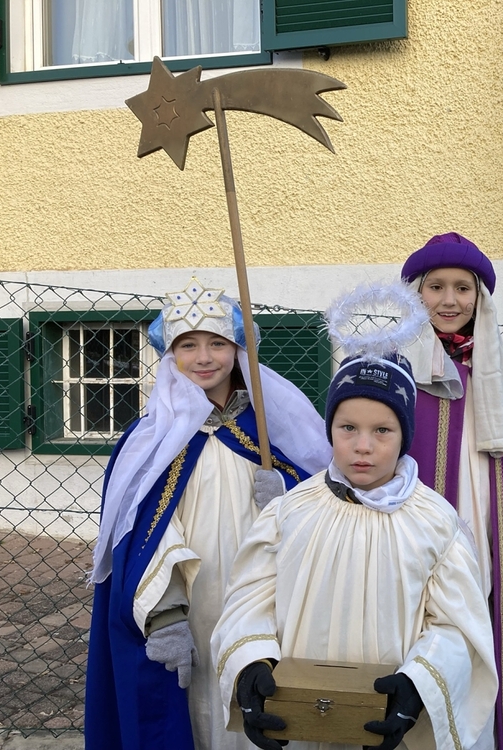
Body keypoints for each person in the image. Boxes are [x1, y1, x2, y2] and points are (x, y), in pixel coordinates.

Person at [211, 283, 497, 750]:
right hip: (298, 720)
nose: (363, 446)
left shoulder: (435, 524)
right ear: (330, 429)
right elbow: (249, 602)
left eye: (382, 430)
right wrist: (252, 663)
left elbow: (456, 625)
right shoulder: (290, 512)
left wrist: (418, 685)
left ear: (404, 435)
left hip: (389, 725)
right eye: (348, 428)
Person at [85, 278, 332, 750]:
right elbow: (144, 536)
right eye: (188, 345)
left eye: (217, 343)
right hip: (190, 603)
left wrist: (288, 490)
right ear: (169, 354)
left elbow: (328, 496)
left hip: (266, 593)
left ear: (238, 349)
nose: (204, 357)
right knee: (199, 705)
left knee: (264, 688)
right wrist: (164, 616)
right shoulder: (150, 439)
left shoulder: (275, 426)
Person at [399, 232, 503, 747]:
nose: (450, 300)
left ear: (480, 297)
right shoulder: (398, 366)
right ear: (417, 294)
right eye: (436, 287)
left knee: (487, 610)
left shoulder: (495, 367)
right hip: (422, 521)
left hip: (486, 511)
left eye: (463, 288)